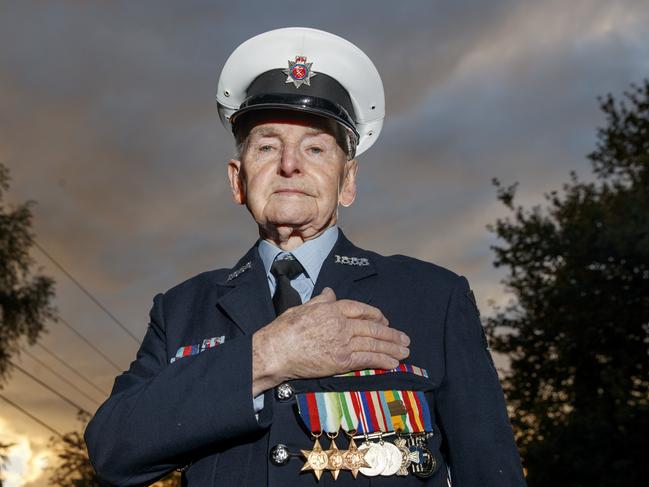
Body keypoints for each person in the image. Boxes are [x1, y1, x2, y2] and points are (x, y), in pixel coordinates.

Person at [85, 27, 526, 486]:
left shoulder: (434, 298)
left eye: (315, 147)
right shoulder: (181, 310)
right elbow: (113, 451)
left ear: (348, 181)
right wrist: (269, 354)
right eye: (267, 146)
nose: (289, 164)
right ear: (238, 180)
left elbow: (491, 471)